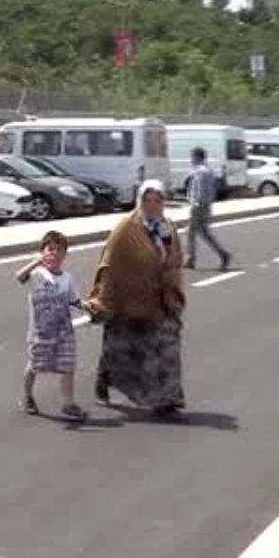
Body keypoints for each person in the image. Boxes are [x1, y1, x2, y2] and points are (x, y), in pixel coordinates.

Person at [84, 179, 188, 418]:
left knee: (166, 348)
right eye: (147, 201)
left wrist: (173, 291)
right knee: (118, 349)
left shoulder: (168, 228)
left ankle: (167, 400)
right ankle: (103, 379)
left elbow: (174, 261)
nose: (152, 206)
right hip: (128, 300)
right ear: (139, 201)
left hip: (161, 300)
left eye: (157, 201)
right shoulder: (125, 228)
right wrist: (104, 299)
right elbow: (110, 264)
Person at [14, 230, 88, 422]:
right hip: (41, 332)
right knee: (35, 366)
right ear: (42, 251)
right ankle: (28, 396)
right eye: (50, 249)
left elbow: (75, 300)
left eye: (59, 250)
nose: (54, 254)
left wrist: (89, 307)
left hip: (64, 331)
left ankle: (68, 403)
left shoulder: (68, 278)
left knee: (68, 366)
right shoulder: (37, 274)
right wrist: (36, 262)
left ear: (65, 254)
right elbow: (19, 277)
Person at [185, 147, 232, 271]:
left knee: (190, 232)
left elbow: (200, 188)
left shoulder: (200, 171)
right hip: (206, 205)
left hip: (199, 205)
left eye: (192, 157)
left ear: (197, 157)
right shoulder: (208, 171)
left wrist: (196, 203)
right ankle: (223, 253)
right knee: (205, 233)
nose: (191, 160)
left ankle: (190, 259)